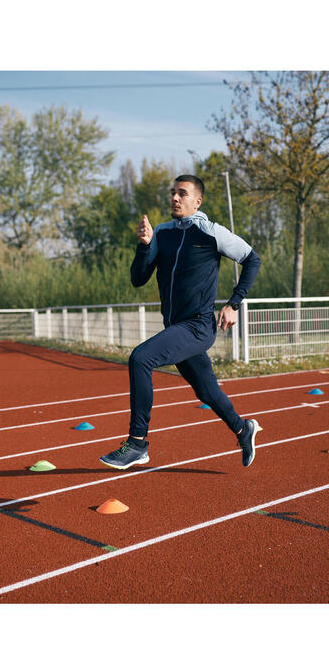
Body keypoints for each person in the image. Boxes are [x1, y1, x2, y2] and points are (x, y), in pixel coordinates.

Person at [100, 174, 262, 470]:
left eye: (182, 193)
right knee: (206, 390)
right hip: (175, 328)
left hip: (198, 327)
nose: (174, 198)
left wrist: (233, 303)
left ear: (197, 201)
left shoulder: (211, 232)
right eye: (173, 193)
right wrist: (144, 244)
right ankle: (243, 429)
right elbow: (138, 279)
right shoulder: (162, 233)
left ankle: (137, 443)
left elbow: (253, 259)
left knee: (140, 359)